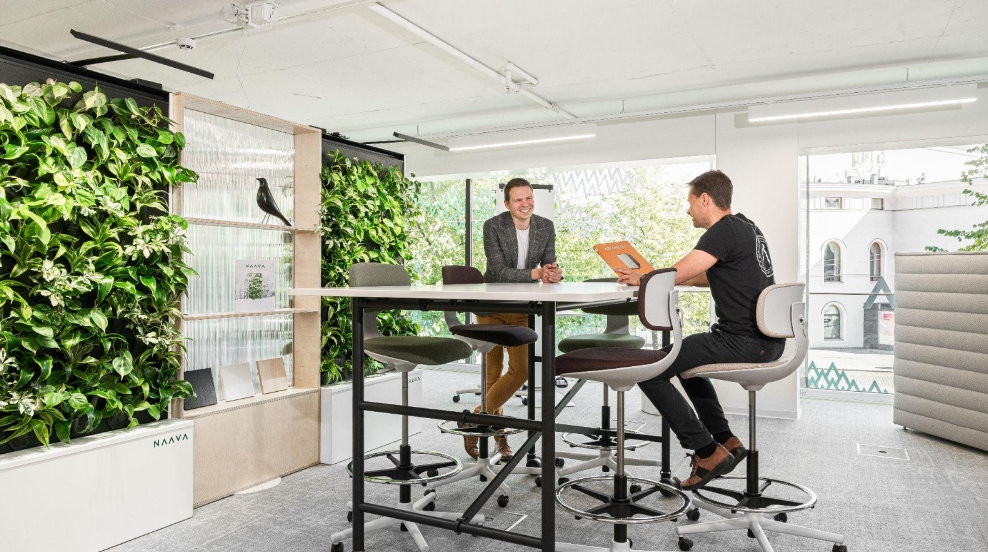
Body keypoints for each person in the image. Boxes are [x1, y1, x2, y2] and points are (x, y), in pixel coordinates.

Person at [616, 170, 785, 490]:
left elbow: (680, 271)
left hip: (744, 341)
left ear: (705, 199)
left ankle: (706, 452)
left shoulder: (723, 230)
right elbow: (709, 274)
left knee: (650, 368)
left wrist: (645, 277)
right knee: (685, 362)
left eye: (690, 202)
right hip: (766, 340)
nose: (688, 210)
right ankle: (725, 440)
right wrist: (665, 277)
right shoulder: (746, 227)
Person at [464, 177, 562, 461]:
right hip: (491, 307)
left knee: (520, 371)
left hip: (521, 308)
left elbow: (549, 262)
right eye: (518, 199)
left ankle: (474, 419)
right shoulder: (493, 226)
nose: (525, 203)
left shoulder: (545, 226)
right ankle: (500, 438)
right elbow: (498, 271)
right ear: (507, 204)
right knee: (492, 375)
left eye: (529, 197)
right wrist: (538, 274)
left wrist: (553, 273)